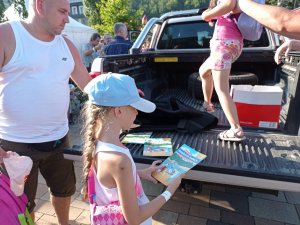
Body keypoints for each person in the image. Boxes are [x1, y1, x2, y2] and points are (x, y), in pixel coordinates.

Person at [0, 0, 92, 224]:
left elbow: (88, 85)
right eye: (62, 11)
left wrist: (118, 92)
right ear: (40, 5)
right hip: (15, 147)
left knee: (64, 191)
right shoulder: (7, 35)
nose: (67, 19)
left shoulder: (66, 45)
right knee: (22, 205)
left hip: (59, 140)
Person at [81, 73, 183, 225]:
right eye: (134, 107)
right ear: (119, 111)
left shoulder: (98, 141)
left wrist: (140, 173)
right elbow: (134, 218)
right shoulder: (119, 161)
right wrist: (170, 190)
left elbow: (110, 181)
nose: (137, 112)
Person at [199, 0, 245, 142]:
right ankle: (207, 104)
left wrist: (206, 15)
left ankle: (236, 130)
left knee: (222, 89)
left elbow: (229, 4)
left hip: (224, 44)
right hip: (230, 44)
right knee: (203, 72)